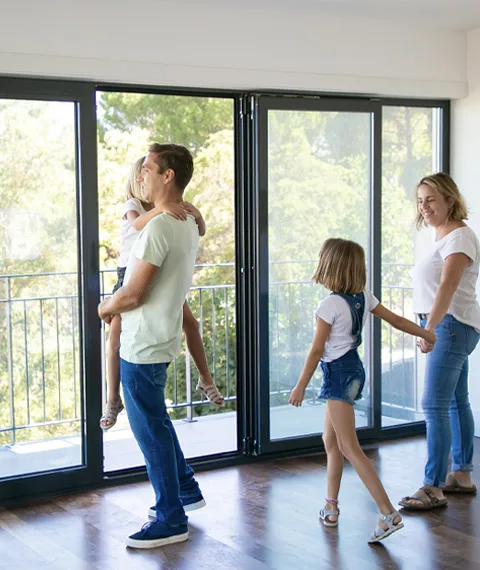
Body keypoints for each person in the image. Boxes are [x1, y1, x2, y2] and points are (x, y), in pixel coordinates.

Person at [288, 238, 436, 543]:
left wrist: (300, 385)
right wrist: (425, 333)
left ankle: (388, 513)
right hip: (354, 369)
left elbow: (316, 350)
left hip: (338, 376)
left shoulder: (329, 305)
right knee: (331, 440)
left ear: (329, 266)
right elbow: (396, 320)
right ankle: (331, 507)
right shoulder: (363, 297)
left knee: (349, 447)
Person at [98, 143, 205, 549]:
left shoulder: (160, 227)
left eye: (147, 168)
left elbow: (132, 294)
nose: (141, 175)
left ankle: (170, 518)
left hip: (141, 344)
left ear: (167, 176)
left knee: (150, 433)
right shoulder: (187, 223)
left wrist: (104, 308)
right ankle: (185, 489)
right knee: (157, 422)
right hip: (161, 337)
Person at [100, 157, 224, 431]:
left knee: (191, 325)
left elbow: (200, 231)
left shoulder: (171, 210)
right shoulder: (134, 206)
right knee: (115, 338)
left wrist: (197, 215)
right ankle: (112, 399)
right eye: (142, 174)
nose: (144, 179)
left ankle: (205, 379)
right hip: (129, 276)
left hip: (159, 276)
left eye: (147, 173)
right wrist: (162, 208)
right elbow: (137, 225)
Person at [399, 172, 480, 511]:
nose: (424, 206)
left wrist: (428, 328)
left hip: (449, 325)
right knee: (456, 402)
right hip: (450, 325)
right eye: (420, 201)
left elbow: (447, 285)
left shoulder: (459, 237)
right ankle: (461, 475)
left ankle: (433, 486)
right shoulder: (444, 236)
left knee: (434, 405)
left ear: (450, 200)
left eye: (431, 199)